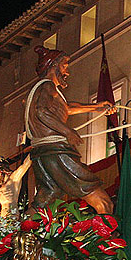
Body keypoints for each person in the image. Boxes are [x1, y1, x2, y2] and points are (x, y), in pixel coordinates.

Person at [26, 46, 116, 214]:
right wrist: (68, 132)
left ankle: (14, 235)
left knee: (44, 201)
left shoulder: (43, 89)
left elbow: (66, 108)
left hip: (42, 154)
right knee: (103, 202)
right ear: (53, 65)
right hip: (57, 151)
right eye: (64, 65)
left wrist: (96, 107)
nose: (67, 71)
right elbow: (41, 111)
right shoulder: (47, 86)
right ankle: (108, 238)